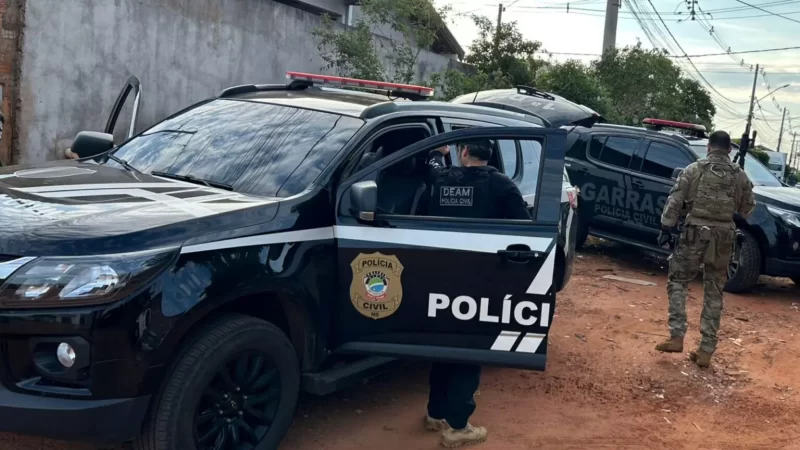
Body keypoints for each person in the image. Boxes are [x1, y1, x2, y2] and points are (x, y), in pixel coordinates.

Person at [422, 140, 531, 448]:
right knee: (469, 349)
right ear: (491, 155)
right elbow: (525, 229)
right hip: (477, 281)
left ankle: (434, 414)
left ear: (465, 152)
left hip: (437, 277)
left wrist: (436, 153)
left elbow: (430, 169)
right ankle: (458, 427)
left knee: (441, 344)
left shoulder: (443, 177)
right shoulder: (502, 184)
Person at [655, 130, 755, 367]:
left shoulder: (694, 169)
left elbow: (675, 200)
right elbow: (748, 209)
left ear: (709, 147)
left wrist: (666, 227)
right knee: (714, 289)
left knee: (678, 280)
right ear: (729, 150)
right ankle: (706, 350)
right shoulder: (739, 175)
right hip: (723, 237)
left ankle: (677, 335)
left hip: (694, 233)